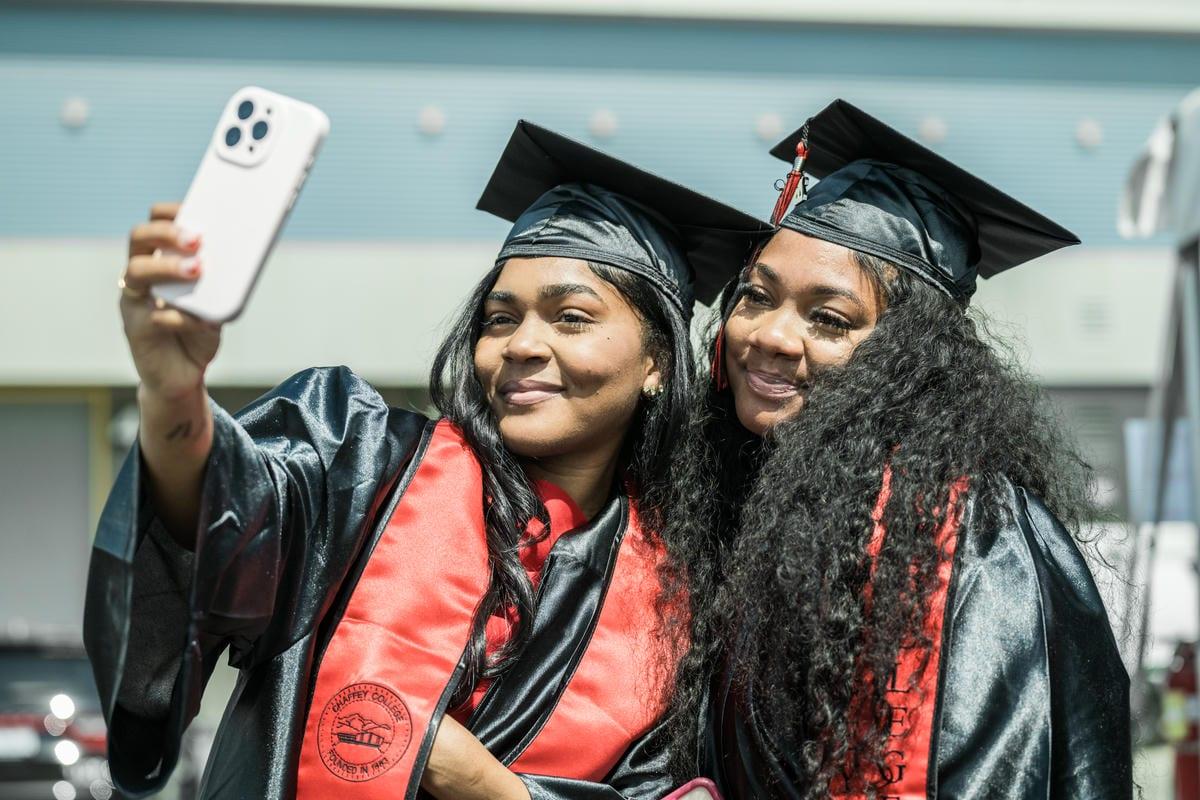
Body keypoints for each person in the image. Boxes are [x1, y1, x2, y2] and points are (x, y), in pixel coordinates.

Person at [83, 120, 769, 800]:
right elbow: (219, 521)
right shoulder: (363, 463)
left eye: (571, 318)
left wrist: (478, 783)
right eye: (500, 319)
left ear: (657, 362)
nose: (522, 344)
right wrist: (173, 396)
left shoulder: (679, 599)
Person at [660, 100, 1132, 798]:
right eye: (757, 298)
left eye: (829, 318)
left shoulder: (977, 537)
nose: (771, 336)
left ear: (910, 361)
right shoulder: (754, 514)